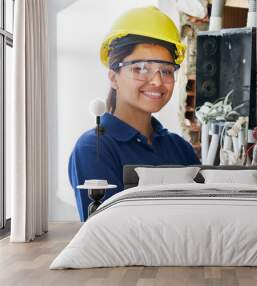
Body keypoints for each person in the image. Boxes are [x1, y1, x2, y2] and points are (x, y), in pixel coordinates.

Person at [69, 6, 201, 222]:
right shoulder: (95, 147)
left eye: (166, 70)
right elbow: (107, 233)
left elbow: (205, 213)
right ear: (113, 77)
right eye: (140, 68)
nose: (157, 81)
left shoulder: (179, 147)